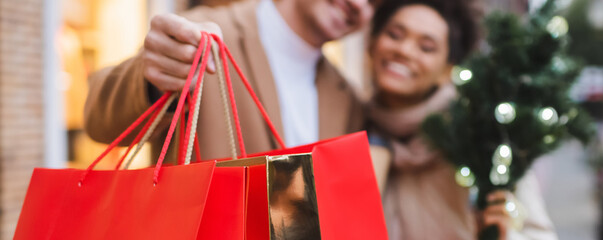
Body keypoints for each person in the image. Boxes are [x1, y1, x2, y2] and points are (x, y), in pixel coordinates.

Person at [84, 0, 379, 161]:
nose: (357, 3)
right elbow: (97, 114)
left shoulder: (347, 97)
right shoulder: (204, 35)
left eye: (374, 2)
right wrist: (152, 81)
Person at [365, 0, 559, 239]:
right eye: (394, 35)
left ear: (448, 69)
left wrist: (504, 234)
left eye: (426, 47)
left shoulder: (483, 136)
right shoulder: (350, 123)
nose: (404, 50)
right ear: (372, 42)